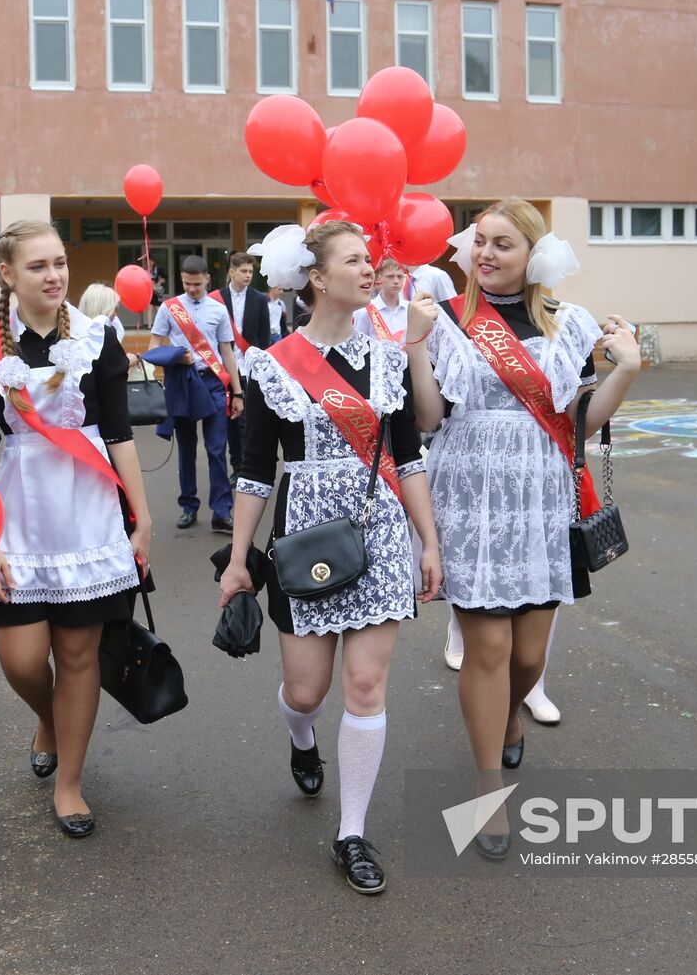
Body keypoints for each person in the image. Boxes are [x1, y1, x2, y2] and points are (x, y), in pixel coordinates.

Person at [405, 198, 640, 859]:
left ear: (533, 256)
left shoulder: (570, 326)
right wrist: (417, 346)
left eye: (502, 244)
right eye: (479, 241)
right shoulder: (447, 319)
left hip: (540, 502)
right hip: (471, 500)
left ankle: (510, 713)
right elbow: (426, 419)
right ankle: (486, 792)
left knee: (529, 656)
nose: (485, 254)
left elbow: (580, 427)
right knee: (487, 649)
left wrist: (626, 367)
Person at [220, 221, 442, 895]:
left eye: (369, 258)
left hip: (378, 534)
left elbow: (409, 454)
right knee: (306, 692)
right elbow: (256, 470)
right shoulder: (275, 364)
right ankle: (302, 735)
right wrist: (237, 562)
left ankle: (351, 831)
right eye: (354, 259)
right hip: (306, 537)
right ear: (317, 278)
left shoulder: (388, 358)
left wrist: (429, 540)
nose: (369, 268)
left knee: (366, 687)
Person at [0, 219, 152, 838]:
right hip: (15, 511)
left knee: (77, 654)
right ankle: (49, 718)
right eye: (39, 266)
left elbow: (119, 435)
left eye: (60, 263)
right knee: (21, 660)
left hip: (87, 510)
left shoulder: (98, 338)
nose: (54, 276)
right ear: (7, 274)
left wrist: (141, 518)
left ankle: (69, 781)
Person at [148, 255, 245, 532]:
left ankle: (221, 511)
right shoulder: (169, 308)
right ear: (182, 279)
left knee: (217, 449)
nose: (192, 288)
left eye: (197, 283)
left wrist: (237, 393)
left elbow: (227, 351)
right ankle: (188, 506)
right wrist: (175, 356)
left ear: (207, 279)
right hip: (182, 381)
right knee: (187, 449)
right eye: (187, 283)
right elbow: (154, 346)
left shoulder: (217, 309)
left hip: (213, 383)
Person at [212, 252, 277, 478]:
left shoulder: (260, 299)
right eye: (244, 271)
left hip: (250, 369)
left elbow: (264, 338)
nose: (248, 275)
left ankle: (247, 468)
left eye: (251, 271)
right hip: (224, 368)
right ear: (231, 271)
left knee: (248, 422)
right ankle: (236, 467)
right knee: (229, 420)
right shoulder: (216, 298)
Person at [78, 282, 138, 371]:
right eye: (113, 309)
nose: (115, 314)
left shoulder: (76, 333)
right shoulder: (102, 337)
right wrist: (129, 360)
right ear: (102, 309)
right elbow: (109, 369)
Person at [352, 258, 410, 346]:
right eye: (390, 276)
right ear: (379, 278)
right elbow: (358, 345)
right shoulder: (364, 312)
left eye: (400, 276)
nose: (396, 281)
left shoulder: (411, 309)